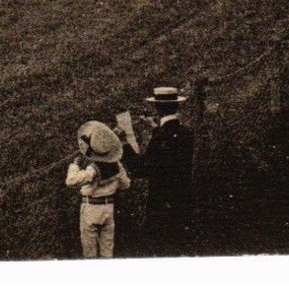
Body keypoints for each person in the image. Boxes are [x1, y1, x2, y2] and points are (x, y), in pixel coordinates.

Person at [133, 86, 196, 254]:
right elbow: (168, 148)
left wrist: (124, 145)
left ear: (157, 109)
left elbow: (141, 169)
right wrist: (155, 128)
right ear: (177, 106)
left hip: (161, 206)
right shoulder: (186, 134)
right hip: (182, 202)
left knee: (162, 248)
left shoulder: (161, 137)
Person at [65, 120, 130, 258]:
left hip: (91, 209)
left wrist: (74, 165)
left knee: (90, 253)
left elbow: (71, 181)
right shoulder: (118, 166)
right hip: (109, 208)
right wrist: (112, 185)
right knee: (107, 252)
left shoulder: (92, 169)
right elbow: (125, 184)